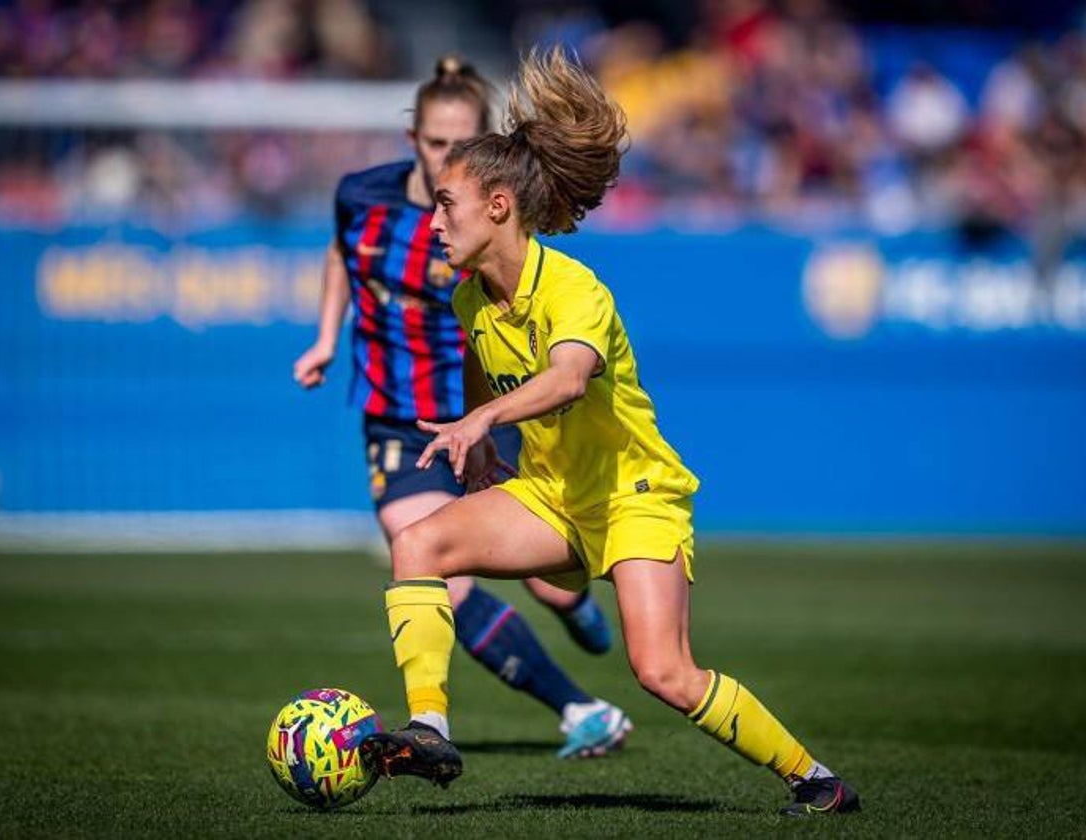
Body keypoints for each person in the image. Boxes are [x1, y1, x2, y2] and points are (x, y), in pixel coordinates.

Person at [358, 47, 861, 817]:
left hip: (636, 495)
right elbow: (478, 371)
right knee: (418, 544)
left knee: (663, 672)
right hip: (557, 496)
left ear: (498, 205)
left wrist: (482, 419)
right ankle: (428, 728)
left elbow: (567, 378)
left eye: (447, 205)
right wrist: (484, 440)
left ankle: (816, 780)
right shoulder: (469, 301)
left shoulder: (573, 286)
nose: (435, 220)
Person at [293, 55, 632, 759]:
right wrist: (327, 337)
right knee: (432, 567)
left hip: (486, 412)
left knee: (552, 585)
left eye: (462, 143)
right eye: (435, 142)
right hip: (401, 418)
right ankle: (575, 709)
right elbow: (338, 254)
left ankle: (572, 605)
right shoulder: (362, 195)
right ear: (413, 136)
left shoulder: (482, 215)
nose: (448, 155)